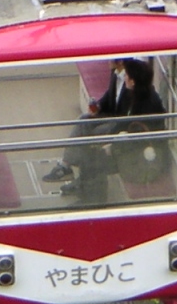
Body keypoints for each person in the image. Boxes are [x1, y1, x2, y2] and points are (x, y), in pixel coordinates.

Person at [43, 58, 163, 200]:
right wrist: (98, 107)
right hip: (118, 125)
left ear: (132, 81)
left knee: (92, 152)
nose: (124, 77)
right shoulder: (117, 76)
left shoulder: (145, 101)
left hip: (134, 149)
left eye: (127, 76)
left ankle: (91, 195)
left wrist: (109, 143)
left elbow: (130, 126)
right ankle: (67, 165)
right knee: (84, 121)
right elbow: (109, 97)